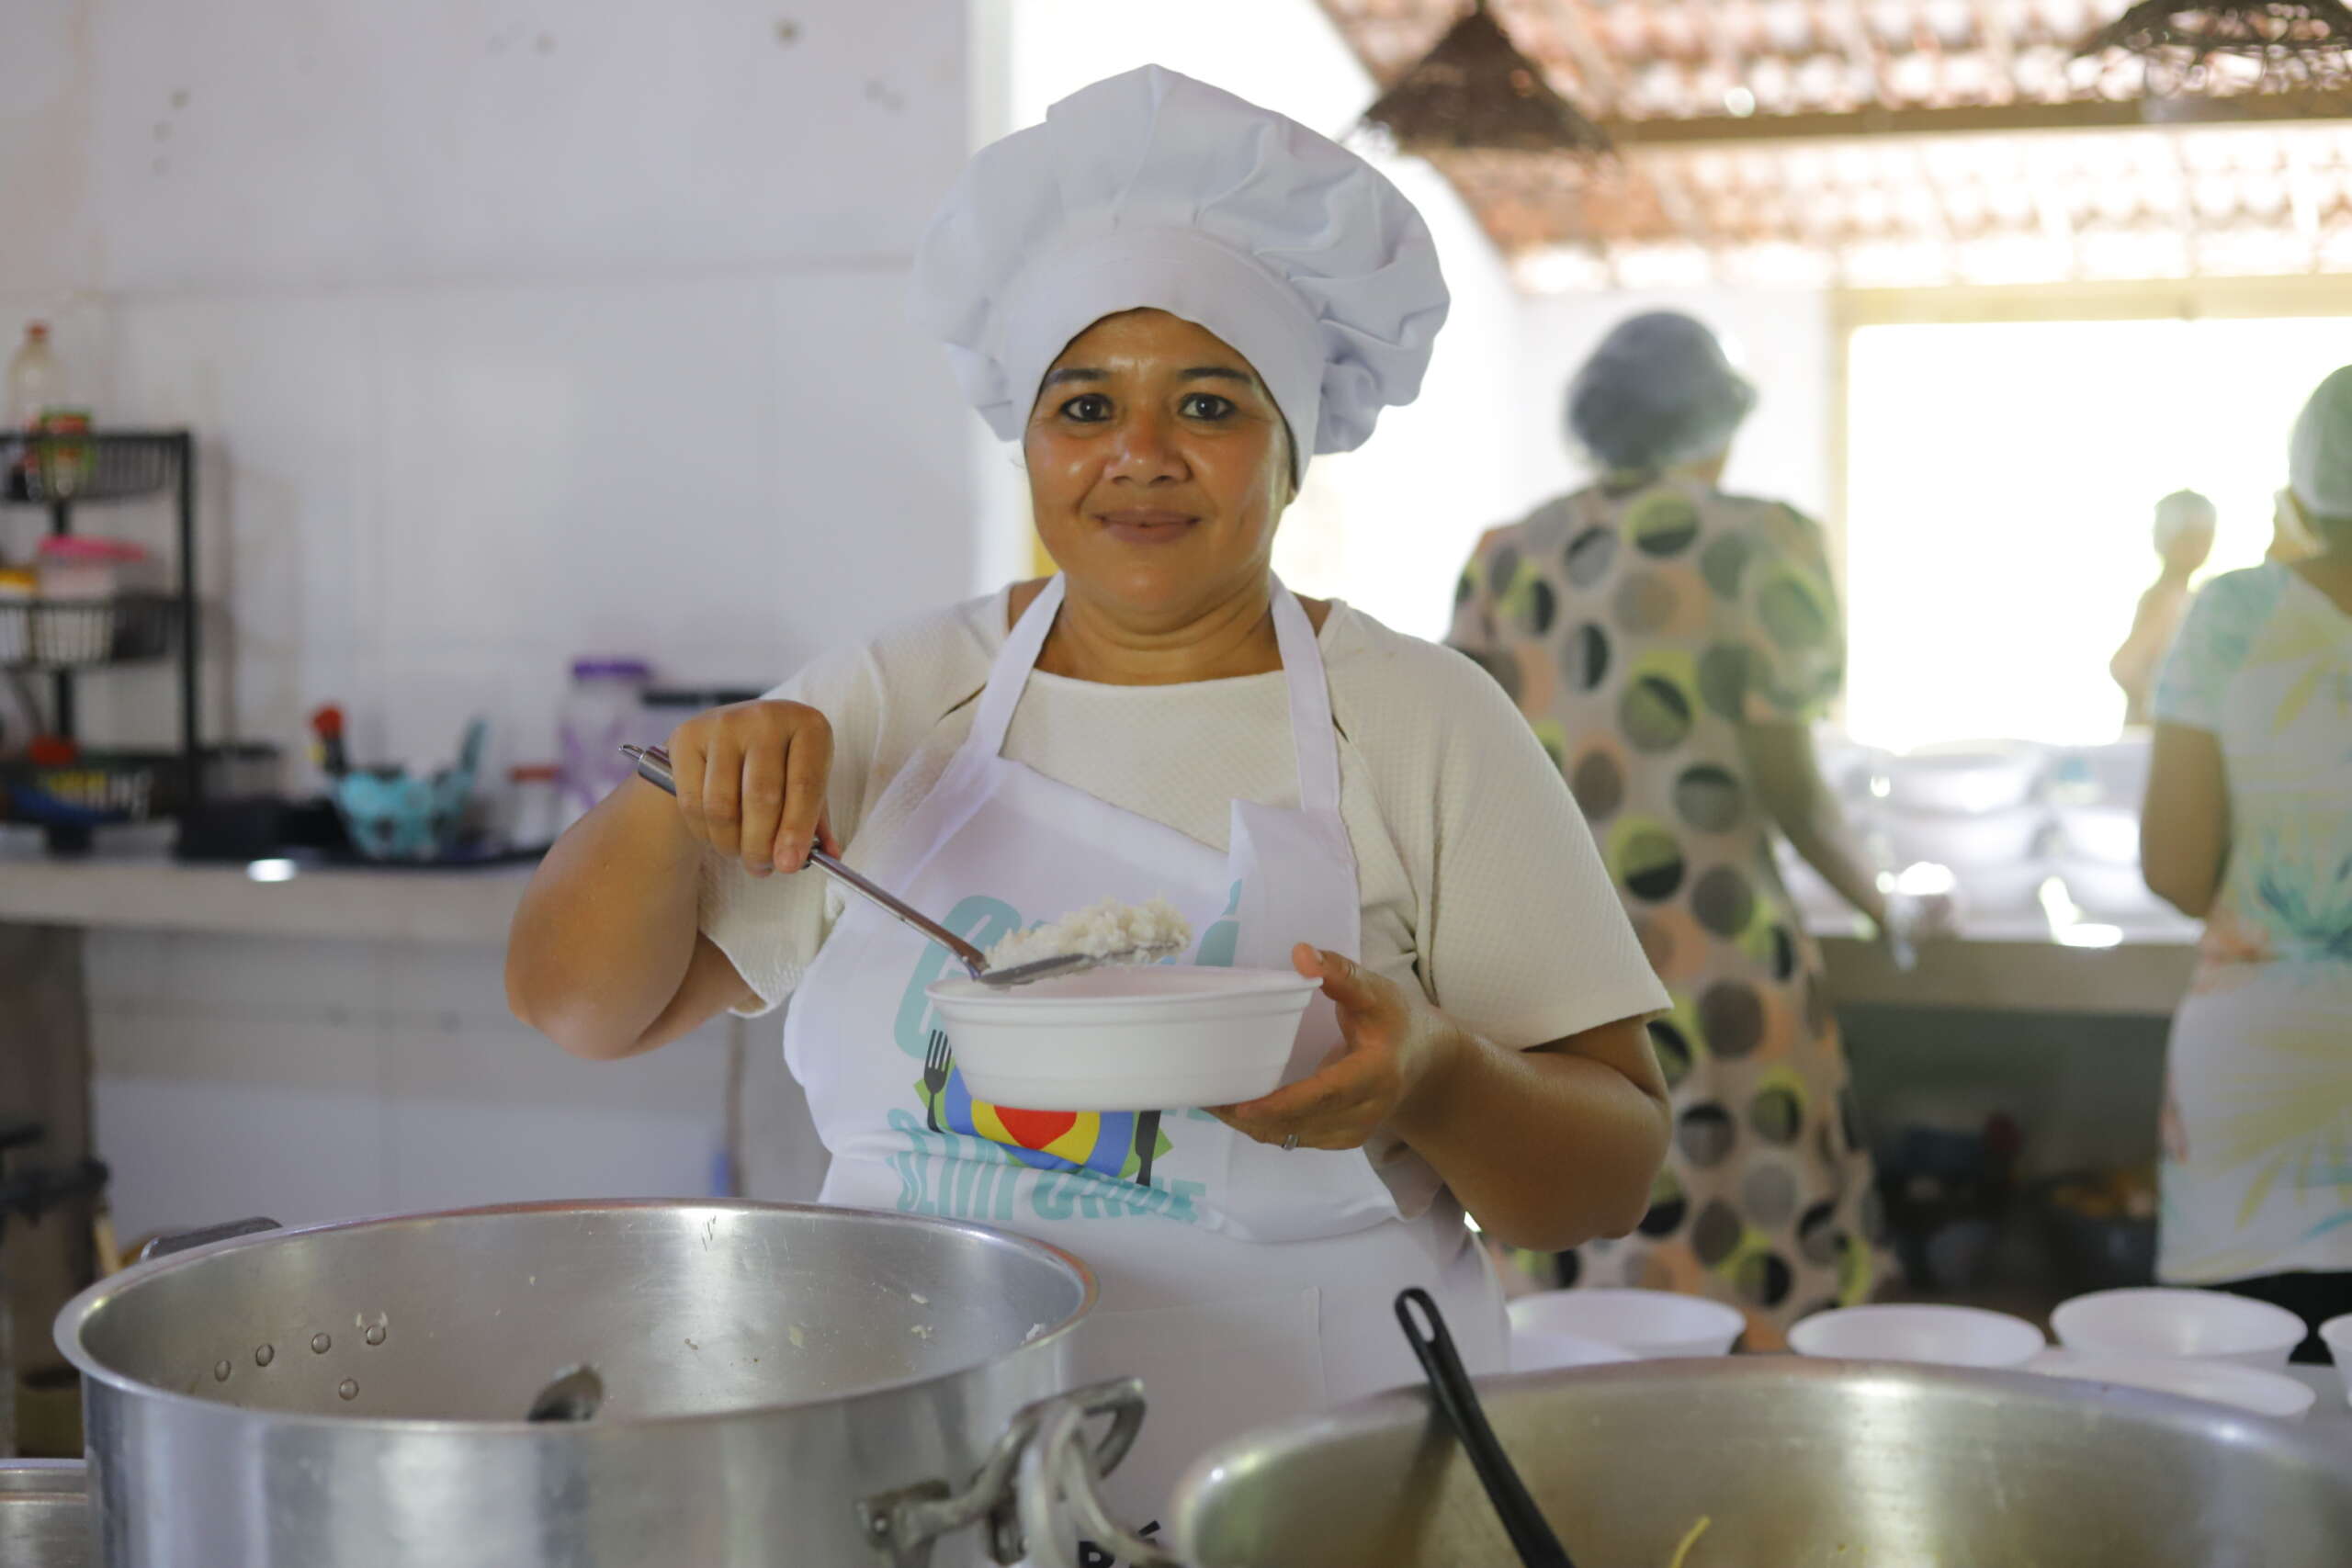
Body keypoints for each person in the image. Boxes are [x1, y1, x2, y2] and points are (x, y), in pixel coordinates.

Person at [505, 65, 1670, 1534]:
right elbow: (575, 1006)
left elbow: (1606, 1175)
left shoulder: (1424, 719)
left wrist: (1435, 1073)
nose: (1139, 453)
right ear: (1031, 438)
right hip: (917, 1473)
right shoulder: (894, 689)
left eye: (1207, 401)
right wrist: (682, 792)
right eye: (1084, 401)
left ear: (1288, 447)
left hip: (1318, 1484)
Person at [1449, 311, 1892, 1348]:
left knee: (1577, 1257)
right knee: (1749, 1243)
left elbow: (1464, 773)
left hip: (1553, 962)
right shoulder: (1761, 541)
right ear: (1718, 427)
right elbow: (1790, 780)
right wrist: (1882, 900)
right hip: (1720, 954)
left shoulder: (1507, 558)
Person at [2143, 366, 2352, 1361]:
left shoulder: (2233, 616)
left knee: (2254, 1422)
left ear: (2303, 492)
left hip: (2261, 1078)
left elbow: (2176, 868)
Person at [2111, 490, 2219, 728]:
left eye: (2205, 536)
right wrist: (2175, 713)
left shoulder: (2183, 596)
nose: (2200, 546)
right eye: (2191, 536)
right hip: (2149, 738)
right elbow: (2124, 666)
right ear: (2167, 538)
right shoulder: (2167, 597)